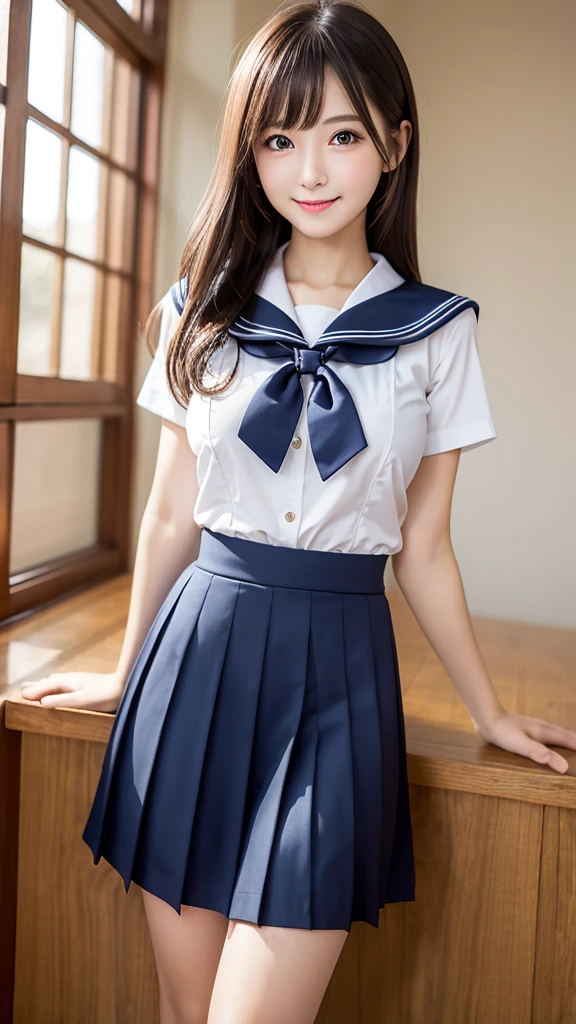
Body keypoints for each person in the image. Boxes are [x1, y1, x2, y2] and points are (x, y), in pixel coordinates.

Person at [20, 2, 576, 1022]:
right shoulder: (199, 312)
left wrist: (489, 709)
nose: (309, 170)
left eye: (342, 135)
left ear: (394, 144)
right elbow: (168, 513)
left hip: (339, 682)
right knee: (186, 1012)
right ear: (251, 153)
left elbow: (424, 548)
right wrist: (122, 666)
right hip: (194, 663)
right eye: (279, 138)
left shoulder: (437, 334)